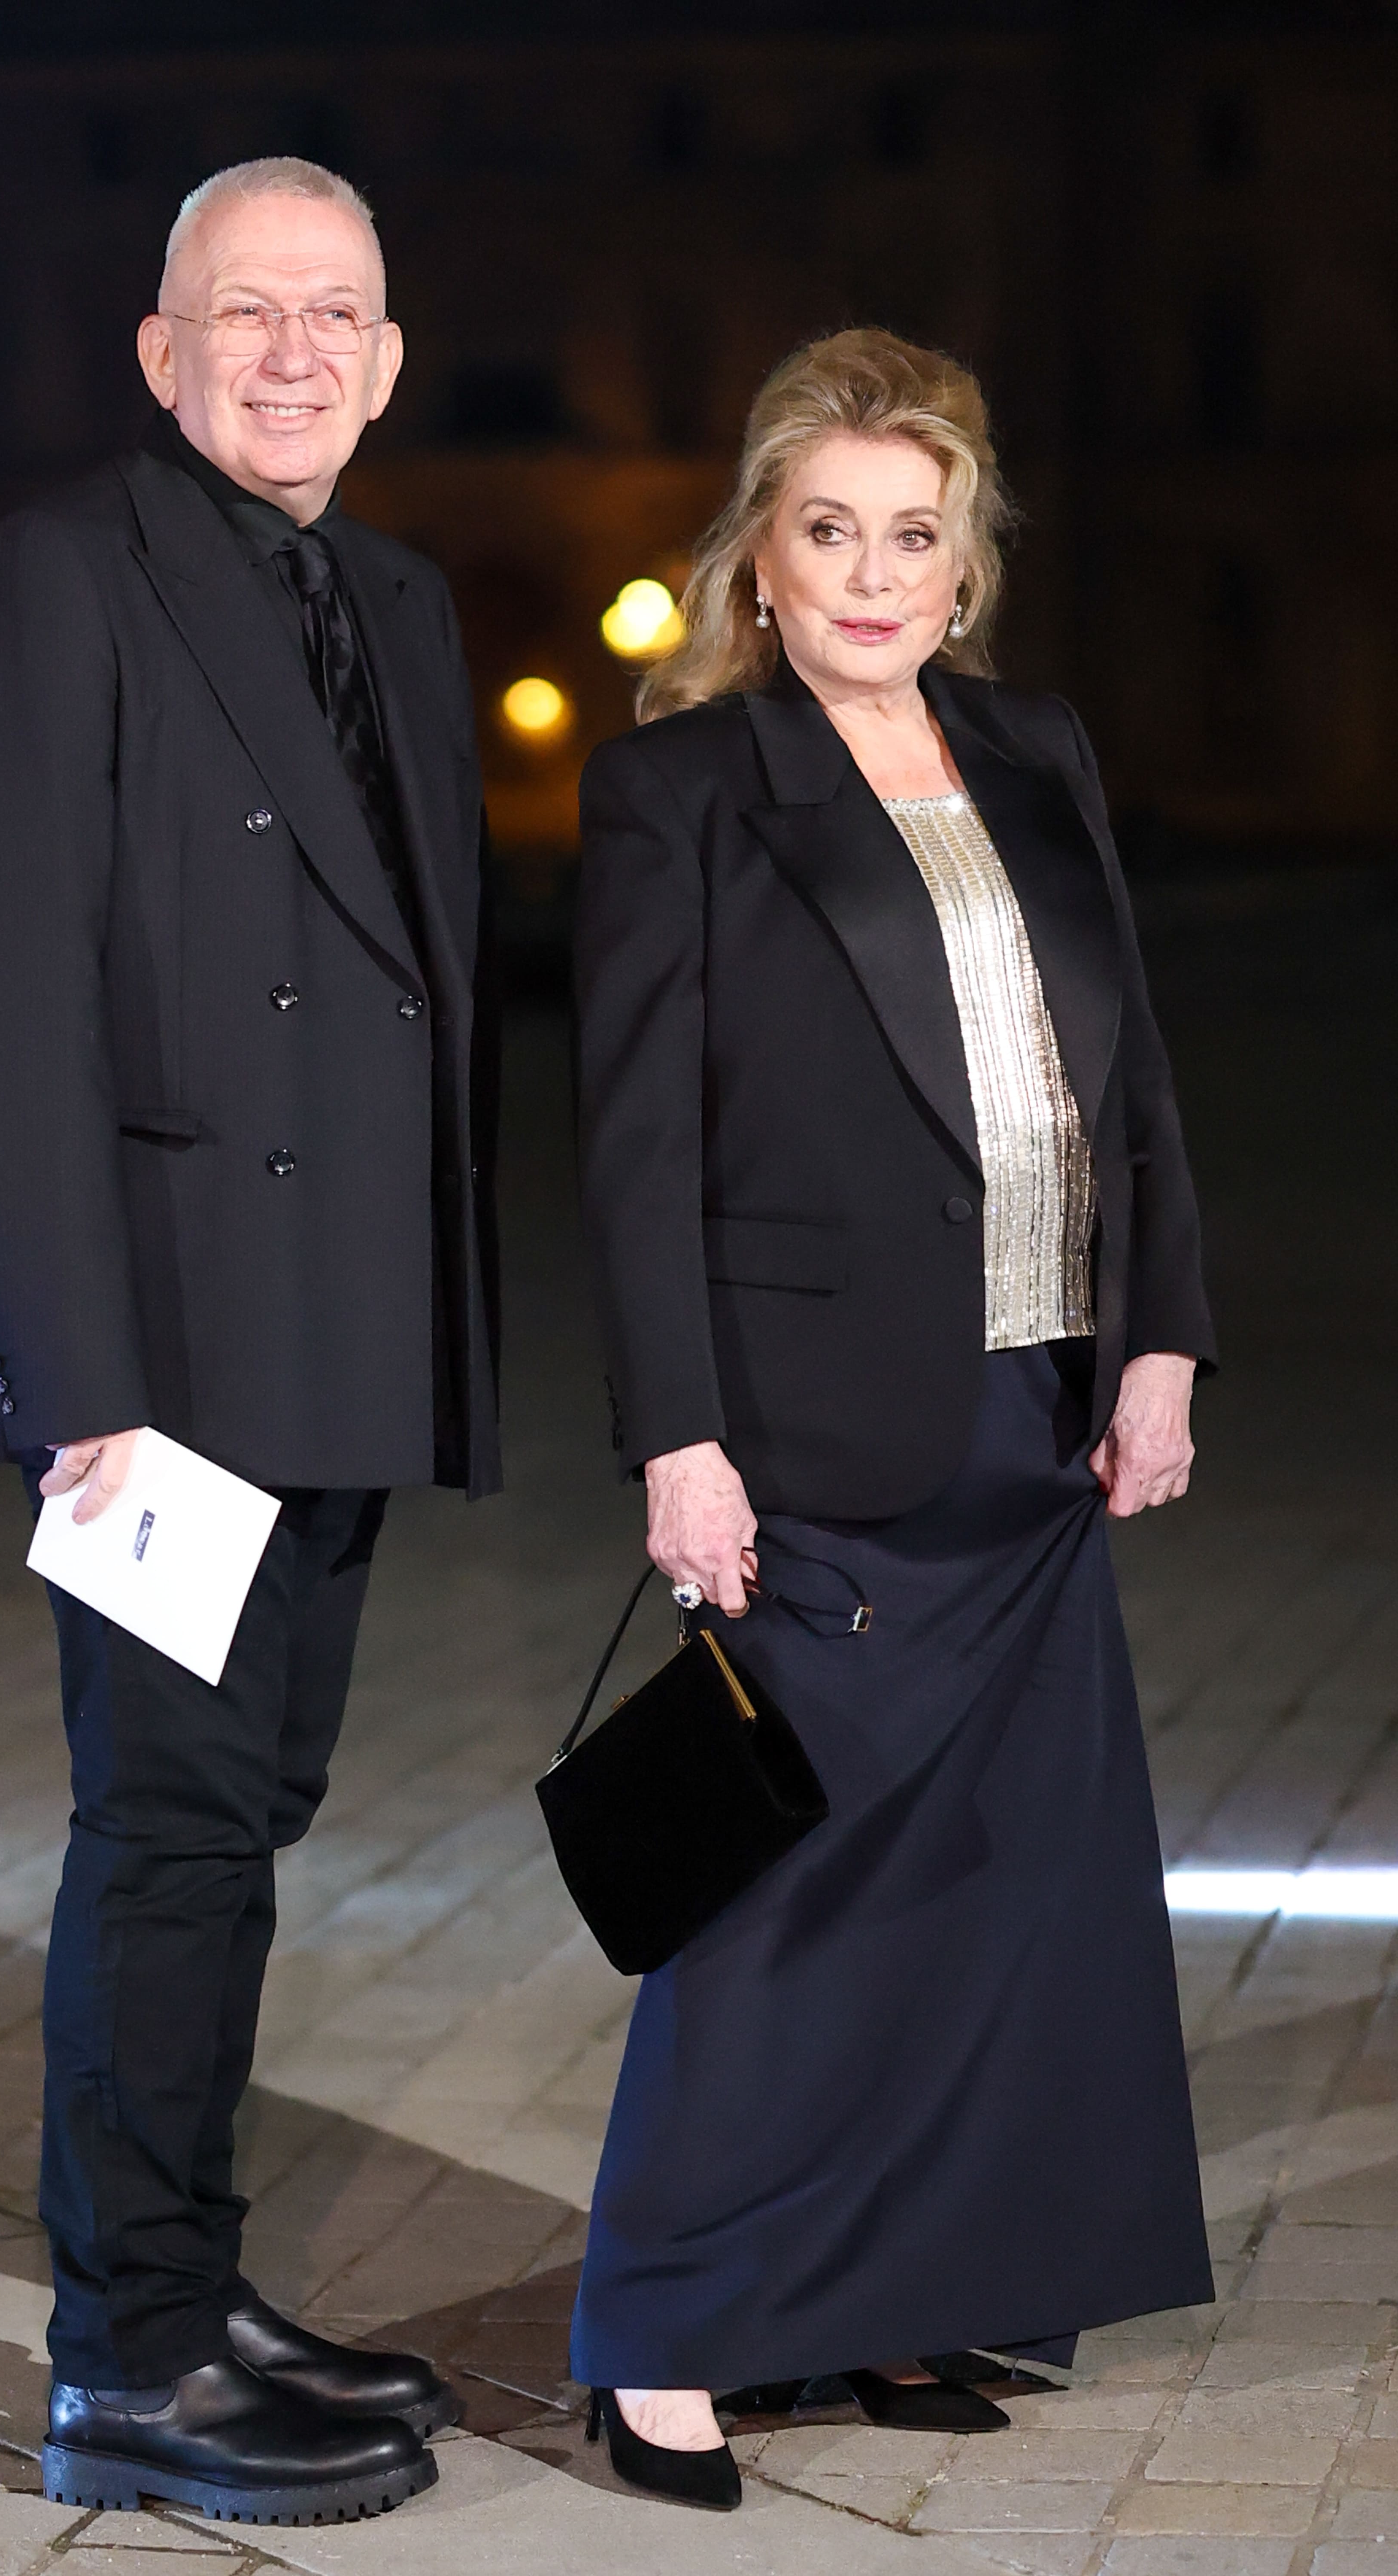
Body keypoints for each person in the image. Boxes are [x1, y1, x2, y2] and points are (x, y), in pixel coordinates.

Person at [569, 327, 1214, 2512]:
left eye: (910, 536)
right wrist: (677, 1437)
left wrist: (1160, 1340)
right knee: (779, 1897)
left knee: (992, 1888)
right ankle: (662, 2335)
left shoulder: (1037, 750)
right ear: (760, 556)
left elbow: (1128, 1076)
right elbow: (635, 1147)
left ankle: (893, 2295)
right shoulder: (682, 787)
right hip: (809, 1430)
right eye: (827, 531)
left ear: (965, 561)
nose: (869, 574)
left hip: (1036, 1413)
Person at [0, 158, 499, 2526]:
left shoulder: (403, 599)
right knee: (164, 1838)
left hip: (337, 1331)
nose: (290, 352)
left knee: (249, 1827)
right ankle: (127, 2363)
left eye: (332, 313)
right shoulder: (66, 576)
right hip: (158, 1355)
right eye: (242, 312)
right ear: (161, 355)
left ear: (388, 359)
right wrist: (83, 1385)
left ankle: (195, 2284)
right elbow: (8, 994)